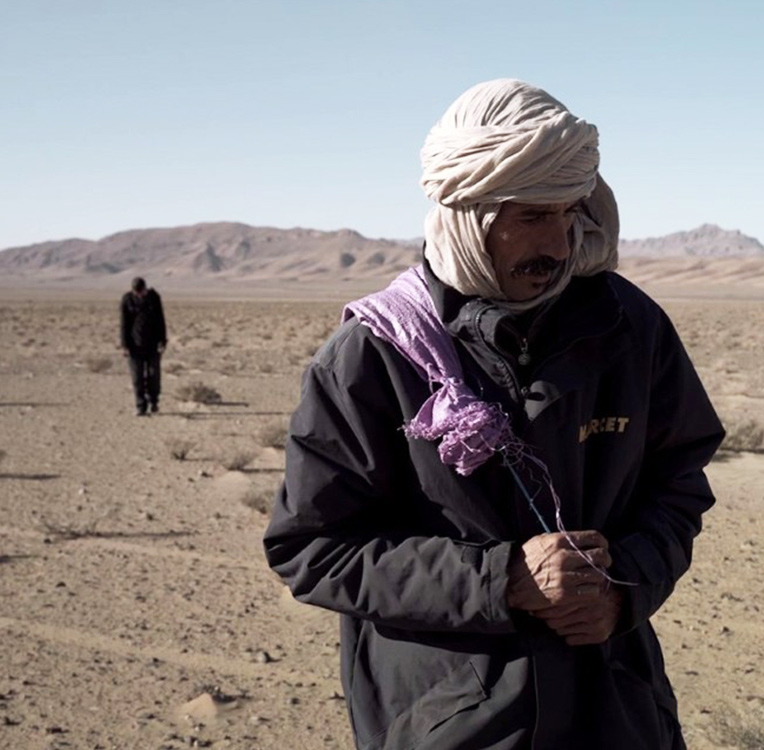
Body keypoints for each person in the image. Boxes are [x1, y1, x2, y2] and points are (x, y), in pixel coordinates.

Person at [264, 79, 724, 750]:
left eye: (569, 214)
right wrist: (501, 580)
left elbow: (679, 483)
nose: (561, 246)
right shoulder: (373, 356)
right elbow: (313, 547)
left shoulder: (628, 328)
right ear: (468, 215)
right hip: (452, 723)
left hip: (618, 712)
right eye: (532, 217)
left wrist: (625, 584)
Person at [119, 276, 167, 416]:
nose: (140, 294)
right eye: (137, 292)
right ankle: (140, 406)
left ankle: (154, 402)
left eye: (142, 292)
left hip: (153, 345)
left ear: (145, 289)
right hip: (134, 346)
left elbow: (160, 320)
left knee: (154, 375)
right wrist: (124, 345)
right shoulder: (127, 300)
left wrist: (162, 341)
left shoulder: (154, 298)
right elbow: (124, 324)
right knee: (137, 377)